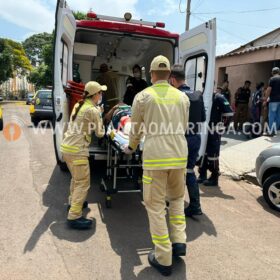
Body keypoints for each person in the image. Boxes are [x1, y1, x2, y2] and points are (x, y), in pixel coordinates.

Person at [124, 55, 190, 276]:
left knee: (155, 206)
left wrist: (132, 147)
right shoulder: (182, 98)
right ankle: (179, 241)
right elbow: (184, 125)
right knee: (177, 199)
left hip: (155, 159)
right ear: (170, 75)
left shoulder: (143, 97)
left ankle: (163, 257)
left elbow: (136, 129)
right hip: (179, 156)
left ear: (151, 74)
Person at [60, 81, 106, 229]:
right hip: (77, 151)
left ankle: (73, 202)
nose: (101, 95)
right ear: (95, 95)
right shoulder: (93, 110)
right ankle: (74, 216)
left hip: (67, 148)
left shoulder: (79, 105)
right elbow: (100, 133)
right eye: (100, 93)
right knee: (83, 183)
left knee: (76, 179)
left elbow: (84, 123)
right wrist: (100, 114)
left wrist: (97, 112)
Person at [169, 64, 206, 217]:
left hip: (180, 138)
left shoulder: (176, 96)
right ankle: (195, 206)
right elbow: (203, 118)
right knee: (189, 171)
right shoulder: (197, 94)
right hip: (195, 138)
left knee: (173, 170)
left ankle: (171, 201)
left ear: (172, 80)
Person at [198, 89, 234, 186]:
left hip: (214, 130)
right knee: (203, 152)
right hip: (204, 130)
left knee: (213, 154)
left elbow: (229, 113)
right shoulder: (202, 96)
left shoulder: (219, 97)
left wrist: (222, 127)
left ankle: (214, 177)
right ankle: (202, 174)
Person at [263, 67, 280, 135]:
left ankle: (270, 131)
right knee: (278, 116)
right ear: (279, 72)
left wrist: (265, 100)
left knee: (272, 116)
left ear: (272, 72)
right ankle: (275, 129)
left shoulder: (272, 79)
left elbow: (269, 90)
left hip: (273, 100)